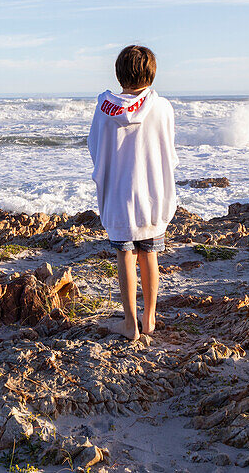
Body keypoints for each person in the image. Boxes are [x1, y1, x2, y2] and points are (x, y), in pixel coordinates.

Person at [87, 44, 178, 340]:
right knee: (149, 254)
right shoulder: (162, 107)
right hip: (152, 194)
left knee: (125, 256)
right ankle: (149, 320)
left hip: (119, 194)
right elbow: (168, 151)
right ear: (151, 74)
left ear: (119, 74)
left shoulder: (104, 109)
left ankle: (129, 323)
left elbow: (95, 148)